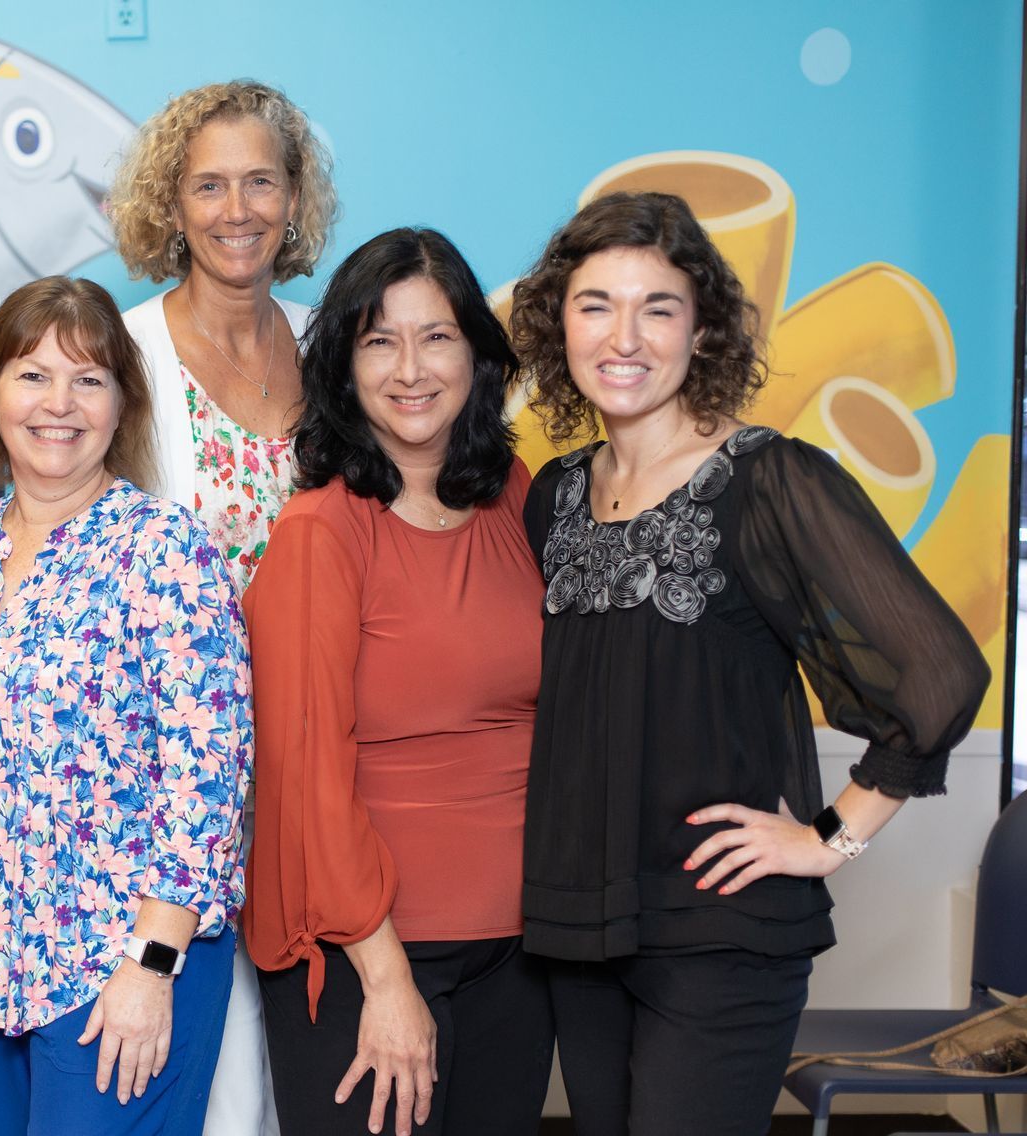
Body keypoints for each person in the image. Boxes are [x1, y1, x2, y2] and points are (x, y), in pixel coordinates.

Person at [507, 191, 989, 1135]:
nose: (624, 337)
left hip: (721, 935)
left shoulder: (771, 479)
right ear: (561, 324)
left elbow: (941, 674)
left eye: (658, 309)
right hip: (576, 929)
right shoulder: (553, 495)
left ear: (703, 332)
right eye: (596, 305)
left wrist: (828, 839)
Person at [0, 277, 251, 1136]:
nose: (59, 404)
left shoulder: (166, 550)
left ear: (123, 404)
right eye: (33, 376)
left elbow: (207, 782)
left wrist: (151, 964)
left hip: (120, 968)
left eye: (89, 379)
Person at [242, 229, 554, 1136]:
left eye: (437, 337)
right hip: (366, 955)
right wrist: (385, 980)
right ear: (344, 367)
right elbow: (305, 779)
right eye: (380, 341)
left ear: (477, 357)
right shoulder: (321, 533)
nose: (410, 370)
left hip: (520, 953)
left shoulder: (517, 498)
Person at [107, 78, 337, 1136]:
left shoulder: (336, 347)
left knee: (309, 1061)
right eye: (208, 185)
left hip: (318, 756)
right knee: (206, 1072)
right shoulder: (120, 356)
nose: (236, 209)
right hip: (173, 777)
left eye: (260, 181)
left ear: (295, 199)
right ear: (172, 202)